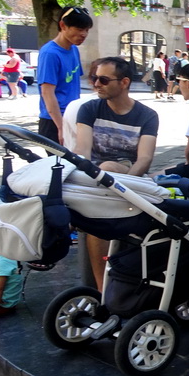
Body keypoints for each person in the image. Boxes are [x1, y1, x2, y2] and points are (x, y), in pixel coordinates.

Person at [75, 57, 159, 290]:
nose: (96, 84)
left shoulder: (146, 115)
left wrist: (125, 186)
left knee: (107, 170)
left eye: (103, 79)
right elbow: (81, 151)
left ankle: (104, 286)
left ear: (124, 82)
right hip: (95, 179)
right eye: (94, 79)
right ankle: (102, 287)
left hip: (130, 177)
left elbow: (144, 158)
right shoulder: (89, 108)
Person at [37, 5, 93, 145]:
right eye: (79, 29)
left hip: (73, 116)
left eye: (86, 30)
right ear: (63, 26)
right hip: (54, 122)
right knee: (60, 166)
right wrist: (61, 128)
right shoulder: (50, 53)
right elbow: (47, 93)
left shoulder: (74, 49)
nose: (84, 34)